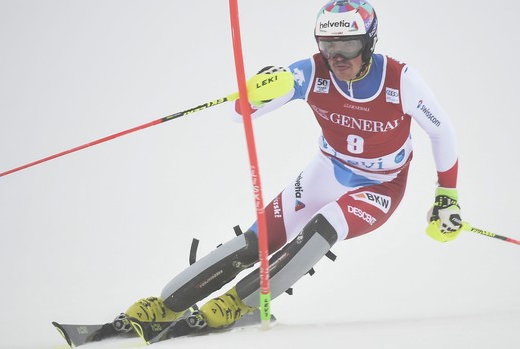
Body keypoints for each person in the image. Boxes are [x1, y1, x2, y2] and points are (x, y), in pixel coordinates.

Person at [110, 0, 463, 337]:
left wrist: (447, 194)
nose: (337, 57)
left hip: (380, 186)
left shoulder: (401, 80)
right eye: (327, 45)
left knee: (327, 225)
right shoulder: (311, 71)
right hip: (327, 170)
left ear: (369, 41)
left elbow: (441, 130)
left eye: (349, 46)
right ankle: (165, 305)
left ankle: (238, 304)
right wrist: (260, 90)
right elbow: (241, 114)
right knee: (258, 240)